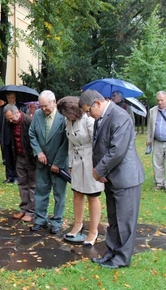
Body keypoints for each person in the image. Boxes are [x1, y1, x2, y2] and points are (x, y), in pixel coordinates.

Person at [79, 89, 144, 269]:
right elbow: (100, 147)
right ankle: (111, 253)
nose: (88, 115)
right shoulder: (101, 118)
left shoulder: (120, 117)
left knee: (125, 221)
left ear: (97, 103)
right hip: (111, 177)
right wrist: (102, 172)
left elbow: (117, 151)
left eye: (88, 111)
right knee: (114, 220)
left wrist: (98, 171)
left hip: (126, 178)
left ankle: (122, 258)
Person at [57, 96, 103, 246]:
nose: (65, 117)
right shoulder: (67, 121)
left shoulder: (88, 120)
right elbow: (70, 143)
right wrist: (70, 163)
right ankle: (78, 224)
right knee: (77, 193)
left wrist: (97, 166)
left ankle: (93, 231)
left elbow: (97, 143)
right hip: (76, 161)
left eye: (66, 113)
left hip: (90, 160)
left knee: (92, 195)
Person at [28, 90, 69, 234]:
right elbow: (32, 133)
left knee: (59, 194)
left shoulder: (63, 117)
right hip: (42, 163)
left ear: (54, 101)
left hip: (59, 164)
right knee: (40, 191)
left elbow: (67, 141)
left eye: (45, 106)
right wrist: (38, 152)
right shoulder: (38, 115)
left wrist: (58, 162)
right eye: (41, 106)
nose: (43, 109)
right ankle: (40, 219)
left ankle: (57, 221)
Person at [4, 104, 36, 222]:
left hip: (31, 157)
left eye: (12, 118)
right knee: (22, 183)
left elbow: (35, 139)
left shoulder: (29, 121)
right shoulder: (10, 123)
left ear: (17, 112)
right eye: (9, 119)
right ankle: (24, 208)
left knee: (32, 184)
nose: (11, 121)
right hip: (19, 156)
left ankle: (31, 211)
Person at [0, 92, 27, 184]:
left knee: (17, 158)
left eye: (12, 97)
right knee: (8, 157)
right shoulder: (3, 108)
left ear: (15, 98)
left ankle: (17, 176)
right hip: (6, 135)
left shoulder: (21, 107)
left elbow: (24, 119)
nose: (10, 99)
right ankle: (9, 176)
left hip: (17, 136)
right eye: (8, 97)